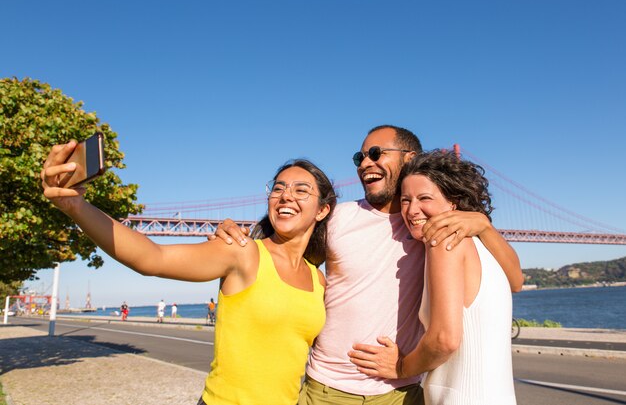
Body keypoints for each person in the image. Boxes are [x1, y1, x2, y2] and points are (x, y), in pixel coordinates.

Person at [213, 125, 522, 404]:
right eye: (359, 157)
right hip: (327, 391)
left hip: (400, 394)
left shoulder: (433, 229)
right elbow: (284, 258)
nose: (364, 164)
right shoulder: (337, 218)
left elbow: (514, 281)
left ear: (409, 157)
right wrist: (243, 241)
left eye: (376, 153)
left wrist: (482, 223)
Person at [41, 143, 336, 405]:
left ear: (322, 211)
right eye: (279, 188)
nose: (285, 196)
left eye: (301, 190)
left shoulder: (318, 279)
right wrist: (76, 206)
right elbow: (152, 257)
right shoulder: (243, 252)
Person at [351, 150, 518, 404]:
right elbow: (517, 281)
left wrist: (401, 368)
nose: (412, 210)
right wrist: (484, 224)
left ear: (452, 202)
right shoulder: (482, 244)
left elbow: (444, 340)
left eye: (424, 198)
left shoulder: (442, 240)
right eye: (405, 200)